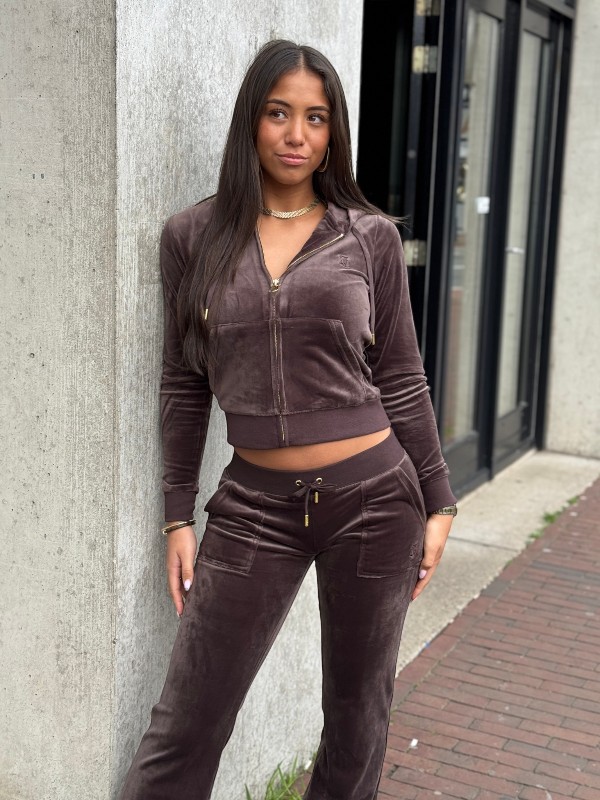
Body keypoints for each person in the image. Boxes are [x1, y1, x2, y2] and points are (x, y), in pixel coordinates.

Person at [118, 39, 457, 800]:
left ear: (334, 132)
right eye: (278, 113)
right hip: (253, 506)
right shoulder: (192, 237)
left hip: (376, 500)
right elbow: (183, 382)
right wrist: (178, 515)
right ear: (252, 120)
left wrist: (439, 500)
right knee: (186, 724)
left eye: (315, 117)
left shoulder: (367, 236)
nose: (296, 134)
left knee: (356, 723)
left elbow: (401, 375)